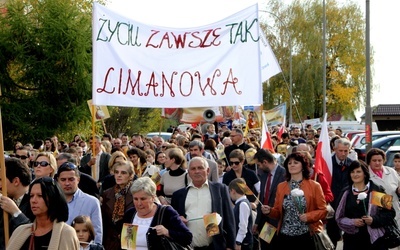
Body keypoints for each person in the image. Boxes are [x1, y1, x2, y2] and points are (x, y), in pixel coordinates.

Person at [262, 152, 327, 249]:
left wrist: (309, 216)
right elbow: (278, 212)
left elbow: (323, 210)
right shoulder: (281, 186)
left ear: (303, 166)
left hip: (306, 235)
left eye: (295, 162)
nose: (292, 165)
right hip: (285, 236)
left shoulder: (314, 186)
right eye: (289, 163)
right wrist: (269, 211)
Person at [171, 156, 236, 249]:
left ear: (208, 170)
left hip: (214, 246)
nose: (197, 171)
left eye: (200, 168)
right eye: (193, 169)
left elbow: (229, 219)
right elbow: (173, 223)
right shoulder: (178, 195)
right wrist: (178, 220)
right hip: (188, 246)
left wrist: (230, 246)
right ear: (188, 172)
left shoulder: (220, 189)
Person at [335, 160, 394, 249]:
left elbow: (390, 213)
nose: (355, 175)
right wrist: (352, 222)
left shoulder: (376, 189)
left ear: (365, 173)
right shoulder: (345, 193)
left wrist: (373, 220)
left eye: (358, 171)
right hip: (352, 241)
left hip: (375, 241)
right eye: (352, 172)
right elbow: (339, 217)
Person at [7, 177, 79, 249]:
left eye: (40, 196)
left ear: (53, 198)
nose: (33, 200)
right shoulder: (20, 232)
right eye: (31, 196)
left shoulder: (66, 233)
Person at [123, 177, 193, 249]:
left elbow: (187, 237)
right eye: (135, 199)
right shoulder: (130, 214)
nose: (139, 203)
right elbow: (126, 244)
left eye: (143, 199)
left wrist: (167, 232)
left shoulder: (167, 213)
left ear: (153, 198)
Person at [56, 162, 103, 244]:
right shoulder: (52, 201)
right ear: (58, 180)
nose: (67, 183)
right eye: (63, 180)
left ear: (78, 179)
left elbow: (97, 234)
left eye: (71, 179)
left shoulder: (92, 202)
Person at [253, 149, 286, 250]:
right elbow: (262, 199)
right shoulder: (263, 174)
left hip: (278, 222)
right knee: (265, 247)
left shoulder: (284, 174)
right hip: (265, 221)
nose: (258, 167)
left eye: (259, 164)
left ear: (265, 162)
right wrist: (257, 222)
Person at [0, 158, 34, 250]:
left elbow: (34, 232)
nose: (0, 185)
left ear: (16, 181)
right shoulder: (5, 200)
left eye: (1, 180)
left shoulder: (35, 201)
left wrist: (15, 212)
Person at [101, 161, 135, 250]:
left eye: (123, 173)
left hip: (130, 235)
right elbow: (104, 220)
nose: (119, 175)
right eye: (116, 172)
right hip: (110, 239)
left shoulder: (136, 193)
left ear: (131, 175)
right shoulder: (107, 193)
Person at [327, 137, 353, 247]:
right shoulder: (328, 164)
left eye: (346, 151)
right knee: (332, 235)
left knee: (349, 235)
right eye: (340, 150)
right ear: (334, 149)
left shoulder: (352, 165)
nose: (343, 153)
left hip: (347, 204)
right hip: (332, 204)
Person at [366, 148, 400, 227]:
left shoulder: (391, 171)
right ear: (369, 161)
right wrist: (386, 201)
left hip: (396, 211)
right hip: (377, 215)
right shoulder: (365, 174)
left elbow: (397, 188)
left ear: (384, 160)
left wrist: (398, 191)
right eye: (374, 160)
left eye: (380, 160)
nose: (377, 163)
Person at [229, 178, 253, 250]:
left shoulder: (243, 204)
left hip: (244, 243)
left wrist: (238, 242)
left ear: (233, 191)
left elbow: (243, 226)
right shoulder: (239, 203)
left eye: (229, 192)